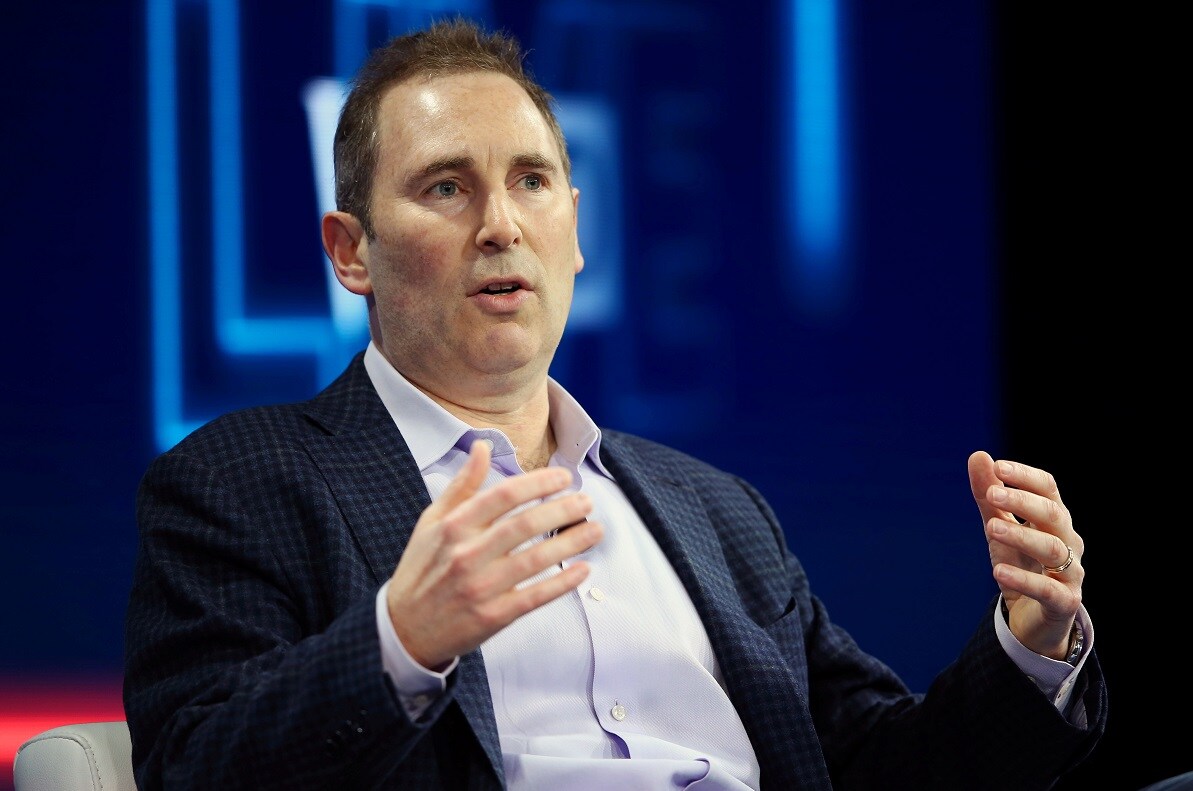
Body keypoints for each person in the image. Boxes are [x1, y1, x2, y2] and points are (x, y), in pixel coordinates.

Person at [122, 17, 1106, 791]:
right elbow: (193, 764)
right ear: (351, 252)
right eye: (446, 188)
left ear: (575, 229)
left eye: (531, 181)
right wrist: (402, 640)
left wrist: (1028, 645)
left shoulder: (714, 510)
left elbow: (878, 767)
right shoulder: (239, 482)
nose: (500, 225)